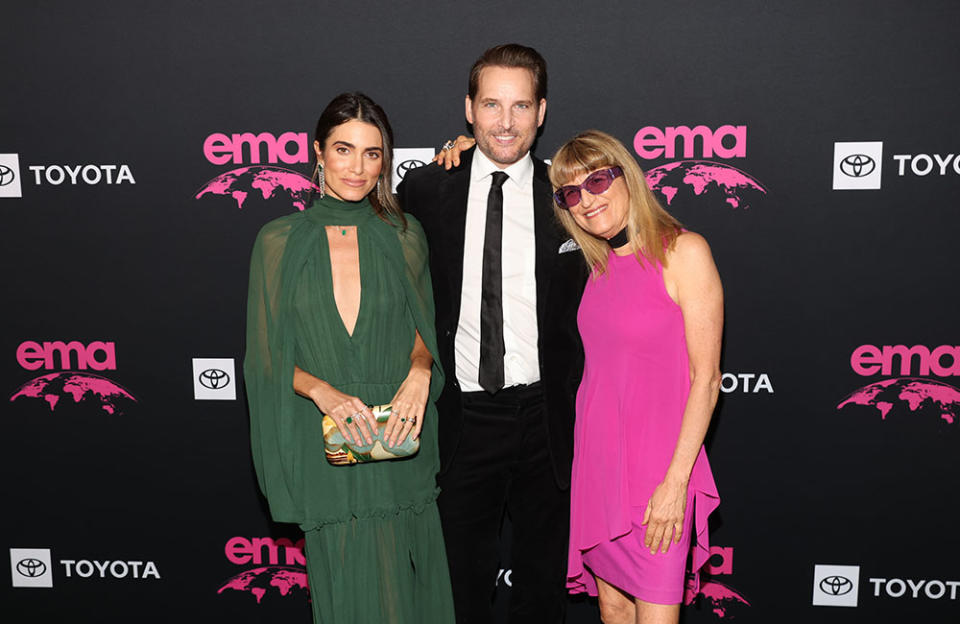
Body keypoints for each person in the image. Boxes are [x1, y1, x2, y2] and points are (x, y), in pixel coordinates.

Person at [243, 92, 455, 624]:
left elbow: (424, 329)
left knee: (406, 600)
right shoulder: (278, 241)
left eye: (373, 153)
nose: (357, 167)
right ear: (318, 152)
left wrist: (420, 370)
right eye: (343, 149)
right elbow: (265, 361)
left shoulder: (404, 235)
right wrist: (322, 390)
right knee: (348, 599)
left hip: (395, 444)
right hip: (329, 449)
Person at [397, 44, 586, 624]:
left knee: (542, 588)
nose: (506, 121)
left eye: (521, 105)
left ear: (542, 112)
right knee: (458, 587)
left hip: (548, 419)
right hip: (462, 417)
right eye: (492, 104)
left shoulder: (571, 197)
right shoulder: (426, 191)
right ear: (469, 110)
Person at [549, 130, 722, 624]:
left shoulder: (684, 251)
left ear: (628, 177)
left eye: (598, 180)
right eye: (572, 193)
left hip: (658, 472)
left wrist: (675, 483)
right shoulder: (596, 266)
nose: (587, 199)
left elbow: (705, 379)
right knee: (612, 608)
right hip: (599, 466)